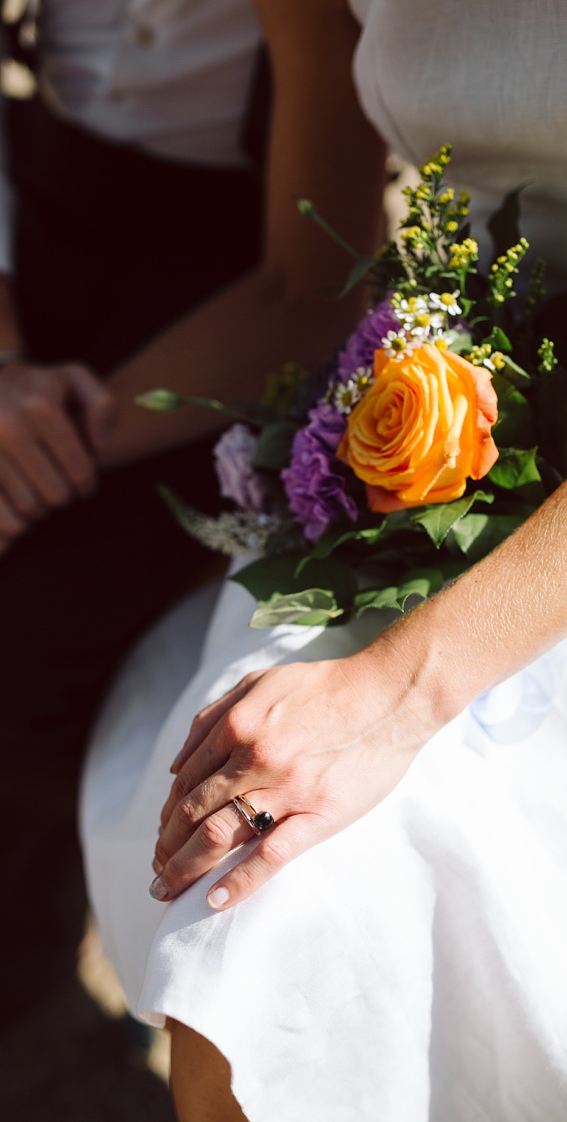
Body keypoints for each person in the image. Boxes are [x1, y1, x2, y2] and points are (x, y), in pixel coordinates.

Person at [80, 0, 567, 1118]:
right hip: (435, 442)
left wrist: (399, 689)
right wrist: (42, 449)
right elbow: (307, 279)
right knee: (248, 893)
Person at [0, 0, 270, 988]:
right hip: (42, 193)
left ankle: (18, 825)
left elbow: (308, 278)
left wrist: (24, 472)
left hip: (242, 266)